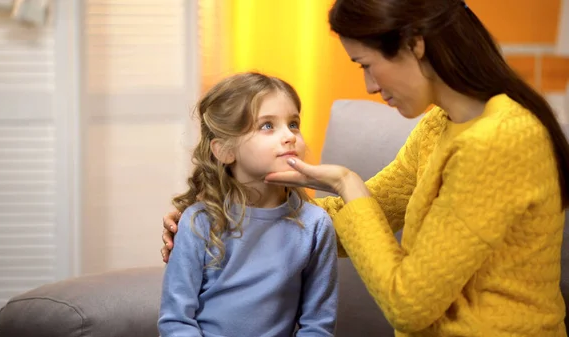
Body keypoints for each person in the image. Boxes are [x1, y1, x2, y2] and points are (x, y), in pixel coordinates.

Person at [162, 0, 569, 336]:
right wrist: (230, 216)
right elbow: (361, 223)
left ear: (415, 45)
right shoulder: (439, 125)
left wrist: (345, 181)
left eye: (366, 64)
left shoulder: (501, 140)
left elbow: (408, 305)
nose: (370, 86)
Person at [158, 72, 338, 337]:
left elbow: (318, 327)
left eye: (294, 124)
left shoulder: (316, 225)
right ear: (224, 151)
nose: (289, 136)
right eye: (267, 126)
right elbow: (176, 322)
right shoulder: (199, 223)